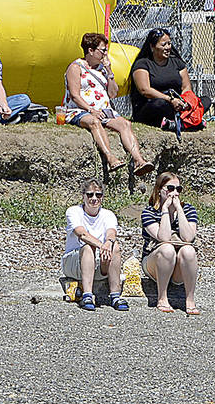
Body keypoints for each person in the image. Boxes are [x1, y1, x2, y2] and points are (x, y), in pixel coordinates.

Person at [63, 32, 151, 179]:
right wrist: (91, 110)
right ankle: (110, 157)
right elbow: (75, 95)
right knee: (94, 122)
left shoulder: (102, 69)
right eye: (102, 50)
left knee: (125, 124)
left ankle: (139, 160)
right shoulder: (76, 67)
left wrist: (109, 71)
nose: (105, 54)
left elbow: (113, 93)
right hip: (81, 109)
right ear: (90, 51)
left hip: (104, 109)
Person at [140, 171, 200, 315]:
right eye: (170, 188)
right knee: (167, 249)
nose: (174, 193)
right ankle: (162, 297)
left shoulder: (188, 210)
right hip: (154, 261)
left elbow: (188, 238)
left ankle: (190, 299)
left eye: (178, 189)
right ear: (159, 190)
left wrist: (179, 209)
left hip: (179, 264)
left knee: (188, 250)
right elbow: (164, 237)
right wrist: (165, 210)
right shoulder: (149, 212)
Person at [65, 181, 129, 311]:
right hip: (74, 262)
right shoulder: (73, 211)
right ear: (83, 196)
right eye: (90, 195)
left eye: (98, 195)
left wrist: (108, 243)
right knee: (88, 247)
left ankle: (115, 295)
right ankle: (87, 294)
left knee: (115, 246)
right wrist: (101, 246)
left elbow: (111, 232)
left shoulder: (108, 214)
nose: (94, 199)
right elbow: (81, 234)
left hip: (98, 261)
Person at [130, 28, 196, 133]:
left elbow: (186, 87)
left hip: (177, 103)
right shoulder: (143, 64)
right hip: (152, 104)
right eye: (163, 45)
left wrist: (184, 101)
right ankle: (187, 122)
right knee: (160, 104)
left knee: (204, 101)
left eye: (169, 44)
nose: (167, 48)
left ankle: (176, 123)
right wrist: (169, 99)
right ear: (152, 47)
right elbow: (144, 90)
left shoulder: (177, 62)